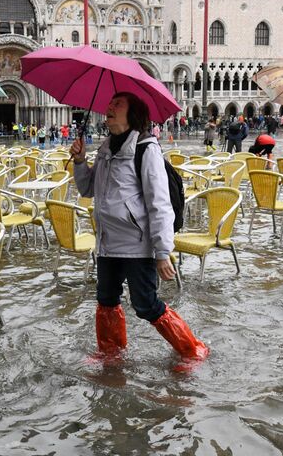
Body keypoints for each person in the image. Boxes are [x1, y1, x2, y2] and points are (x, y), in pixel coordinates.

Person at [69, 92, 209, 371]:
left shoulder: (146, 149)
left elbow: (159, 203)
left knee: (145, 305)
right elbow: (88, 190)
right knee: (106, 300)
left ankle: (192, 350)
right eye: (110, 103)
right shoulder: (106, 148)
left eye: (117, 104)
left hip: (137, 242)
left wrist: (162, 252)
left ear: (133, 114)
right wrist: (80, 161)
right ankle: (110, 353)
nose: (109, 107)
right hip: (108, 242)